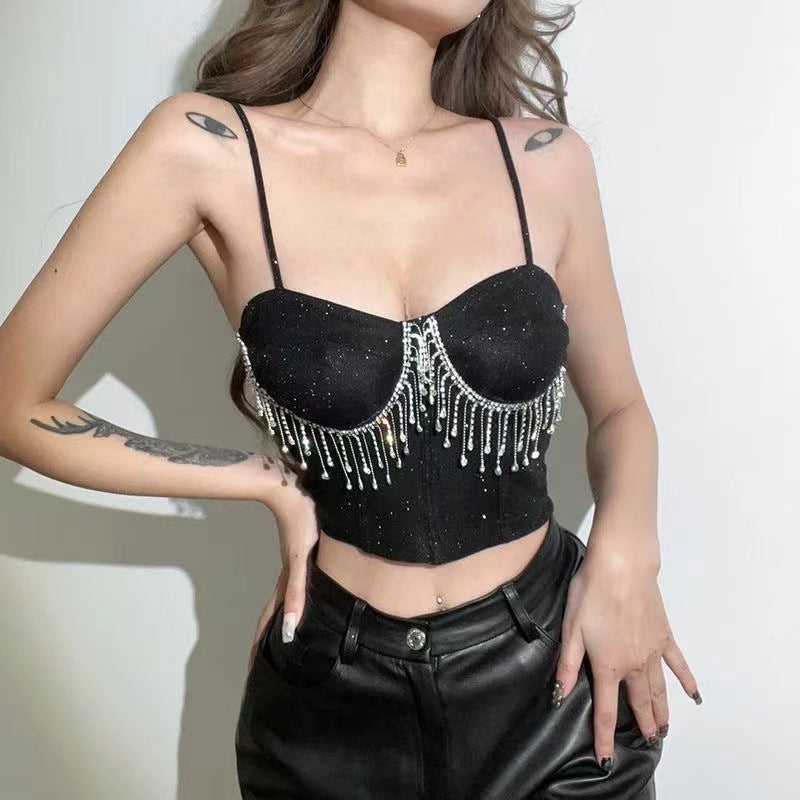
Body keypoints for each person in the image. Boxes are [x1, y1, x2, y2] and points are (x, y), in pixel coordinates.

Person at [0, 1, 702, 797]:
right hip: (329, 706)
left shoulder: (544, 161)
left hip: (556, 686)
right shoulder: (208, 149)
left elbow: (620, 410)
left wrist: (628, 557)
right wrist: (265, 482)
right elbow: (14, 398)